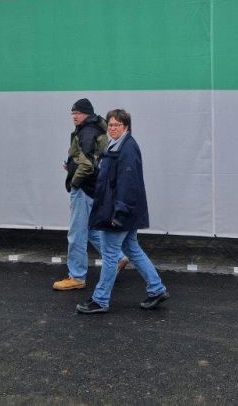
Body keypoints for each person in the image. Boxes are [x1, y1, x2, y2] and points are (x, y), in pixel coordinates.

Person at [77, 109, 168, 314]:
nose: (112, 128)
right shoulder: (117, 145)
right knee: (133, 249)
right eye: (110, 125)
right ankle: (157, 289)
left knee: (110, 255)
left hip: (119, 213)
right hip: (123, 211)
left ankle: (100, 300)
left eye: (117, 125)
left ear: (126, 126)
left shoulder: (127, 148)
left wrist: (120, 213)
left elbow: (128, 183)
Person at [53, 98, 108, 291]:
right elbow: (87, 159)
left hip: (84, 188)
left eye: (77, 113)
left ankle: (76, 276)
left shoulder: (86, 131)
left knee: (77, 233)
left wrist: (73, 182)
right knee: (92, 230)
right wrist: (71, 165)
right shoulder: (96, 129)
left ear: (87, 113)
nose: (74, 116)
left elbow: (86, 164)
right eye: (73, 113)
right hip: (94, 187)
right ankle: (117, 257)